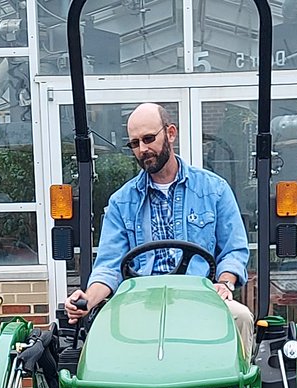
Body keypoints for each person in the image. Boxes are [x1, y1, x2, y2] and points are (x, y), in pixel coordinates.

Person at [64, 102, 255, 354]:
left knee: (241, 317)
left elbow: (234, 250)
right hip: (140, 303)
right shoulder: (122, 202)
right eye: (134, 143)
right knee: (101, 333)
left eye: (148, 139)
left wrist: (225, 283)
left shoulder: (214, 189)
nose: (143, 149)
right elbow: (109, 267)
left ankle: (236, 380)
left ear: (171, 133)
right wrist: (87, 300)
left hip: (200, 298)